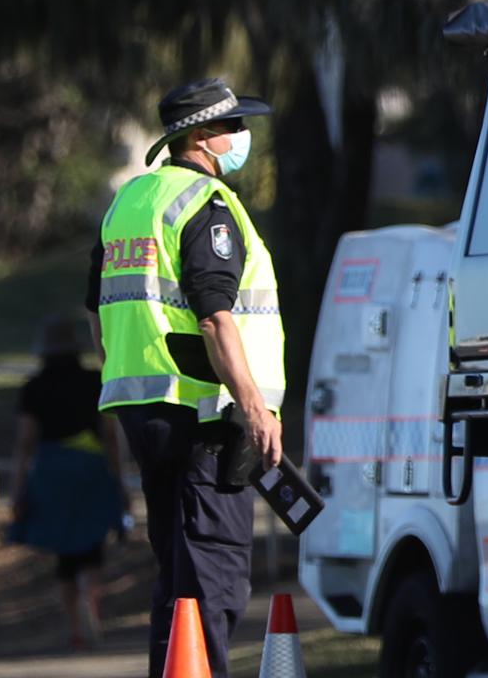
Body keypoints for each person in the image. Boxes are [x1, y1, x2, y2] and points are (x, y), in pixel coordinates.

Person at [84, 77, 286, 678]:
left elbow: (98, 309)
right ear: (200, 137)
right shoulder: (206, 205)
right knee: (214, 575)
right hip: (204, 411)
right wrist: (254, 406)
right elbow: (215, 315)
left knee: (176, 577)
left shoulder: (128, 203)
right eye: (234, 128)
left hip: (142, 409)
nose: (243, 139)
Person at [7, 315, 126, 650]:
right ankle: (94, 609)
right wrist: (118, 480)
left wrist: (17, 490)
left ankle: (75, 624)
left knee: (65, 550)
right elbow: (110, 435)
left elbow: (25, 442)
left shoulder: (34, 387)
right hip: (90, 467)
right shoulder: (94, 381)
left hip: (52, 472)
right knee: (91, 544)